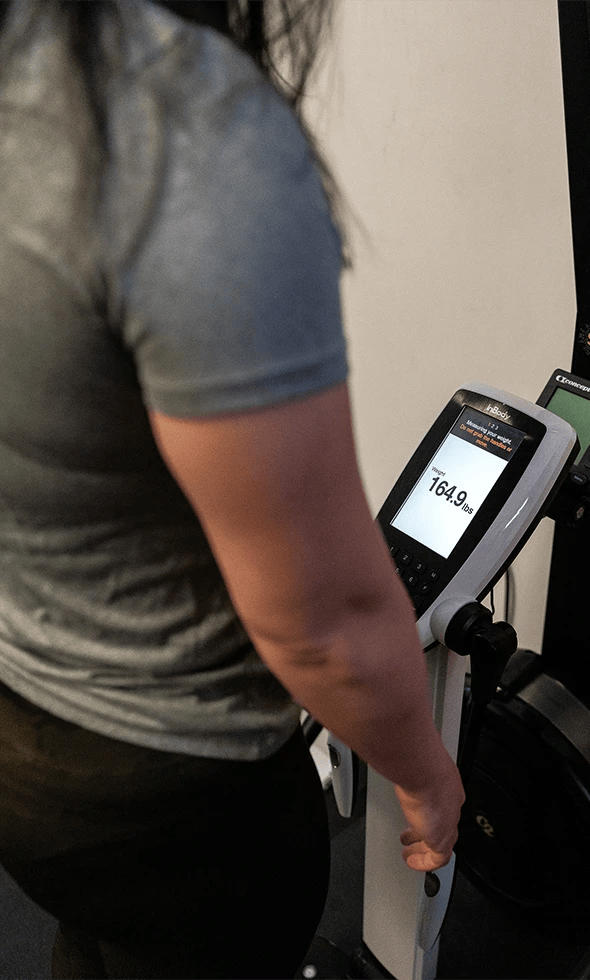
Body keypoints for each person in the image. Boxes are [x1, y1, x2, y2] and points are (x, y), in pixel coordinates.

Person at [0, 1, 465, 978]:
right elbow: (324, 618)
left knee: (103, 939)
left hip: (24, 737)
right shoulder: (181, 136)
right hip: (178, 795)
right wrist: (422, 775)